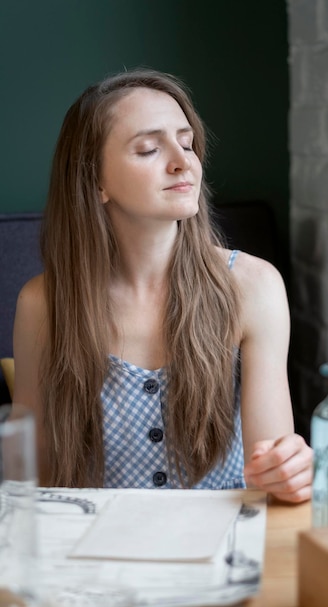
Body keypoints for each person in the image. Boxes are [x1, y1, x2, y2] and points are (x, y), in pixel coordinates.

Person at [13, 68, 312, 502]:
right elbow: (29, 481)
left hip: (220, 551)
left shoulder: (253, 286)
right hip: (91, 554)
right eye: (149, 149)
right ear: (95, 180)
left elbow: (270, 473)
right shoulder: (43, 304)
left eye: (187, 143)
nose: (182, 160)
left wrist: (289, 471)